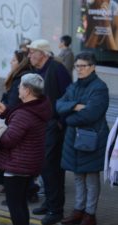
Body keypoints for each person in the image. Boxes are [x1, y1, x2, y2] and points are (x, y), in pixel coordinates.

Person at [0, 73, 52, 225]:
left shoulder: (24, 114)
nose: (18, 88)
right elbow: (22, 123)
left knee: (15, 206)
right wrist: (6, 113)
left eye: (21, 85)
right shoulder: (38, 107)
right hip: (29, 163)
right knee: (21, 204)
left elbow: (8, 139)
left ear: (28, 90)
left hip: (17, 165)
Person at [57, 52, 109, 225]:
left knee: (92, 178)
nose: (79, 69)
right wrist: (75, 106)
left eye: (83, 66)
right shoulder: (74, 86)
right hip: (74, 137)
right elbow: (59, 104)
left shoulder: (99, 87)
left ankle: (90, 214)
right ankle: (78, 211)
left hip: (92, 138)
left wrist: (69, 117)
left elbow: (91, 113)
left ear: (92, 67)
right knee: (78, 176)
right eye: (77, 66)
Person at [27, 39, 72, 225]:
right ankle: (49, 203)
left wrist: (60, 122)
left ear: (43, 54)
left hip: (53, 126)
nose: (29, 55)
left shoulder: (57, 69)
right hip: (40, 125)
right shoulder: (38, 71)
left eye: (32, 52)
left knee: (52, 168)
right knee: (44, 167)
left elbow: (68, 95)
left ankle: (56, 210)